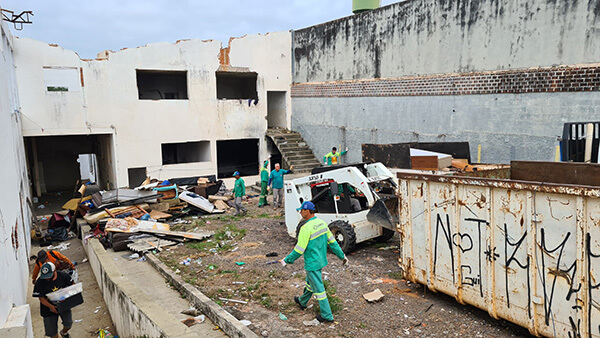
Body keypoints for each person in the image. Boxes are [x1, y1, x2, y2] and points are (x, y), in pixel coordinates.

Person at [281, 201, 348, 323]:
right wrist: (342, 256)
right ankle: (303, 301)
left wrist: (287, 260)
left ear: (307, 211)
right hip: (321, 261)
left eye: (301, 210)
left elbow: (299, 249)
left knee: (319, 290)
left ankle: (327, 315)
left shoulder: (305, 228)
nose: (300, 212)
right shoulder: (322, 223)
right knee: (310, 283)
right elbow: (333, 243)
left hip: (312, 264)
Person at [33, 262, 74, 338]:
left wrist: (68, 295)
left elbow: (72, 285)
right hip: (48, 308)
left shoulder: (63, 276)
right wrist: (50, 306)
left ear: (54, 271)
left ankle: (64, 333)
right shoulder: (40, 282)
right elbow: (41, 298)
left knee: (68, 323)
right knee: (52, 332)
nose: (47, 279)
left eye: (49, 276)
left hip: (63, 304)